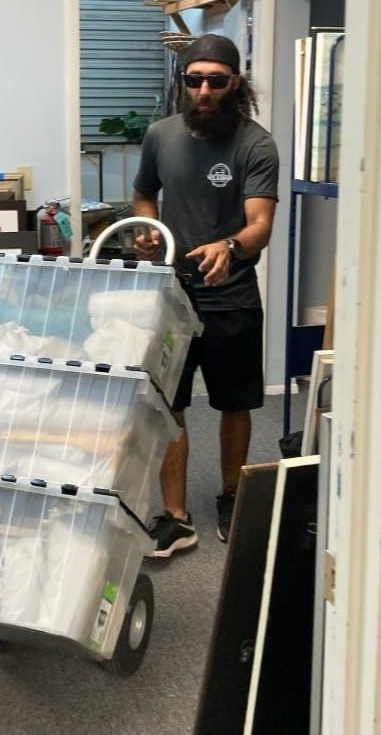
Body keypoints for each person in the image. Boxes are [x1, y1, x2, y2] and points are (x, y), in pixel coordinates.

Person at [133, 33, 278, 556]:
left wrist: (231, 246)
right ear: (182, 82)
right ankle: (175, 517)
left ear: (235, 83)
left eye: (217, 81)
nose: (204, 90)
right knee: (169, 405)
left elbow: (260, 223)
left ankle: (234, 493)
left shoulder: (255, 144)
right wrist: (148, 229)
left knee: (233, 404)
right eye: (194, 80)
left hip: (231, 295)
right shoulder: (160, 135)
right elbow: (144, 194)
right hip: (171, 297)